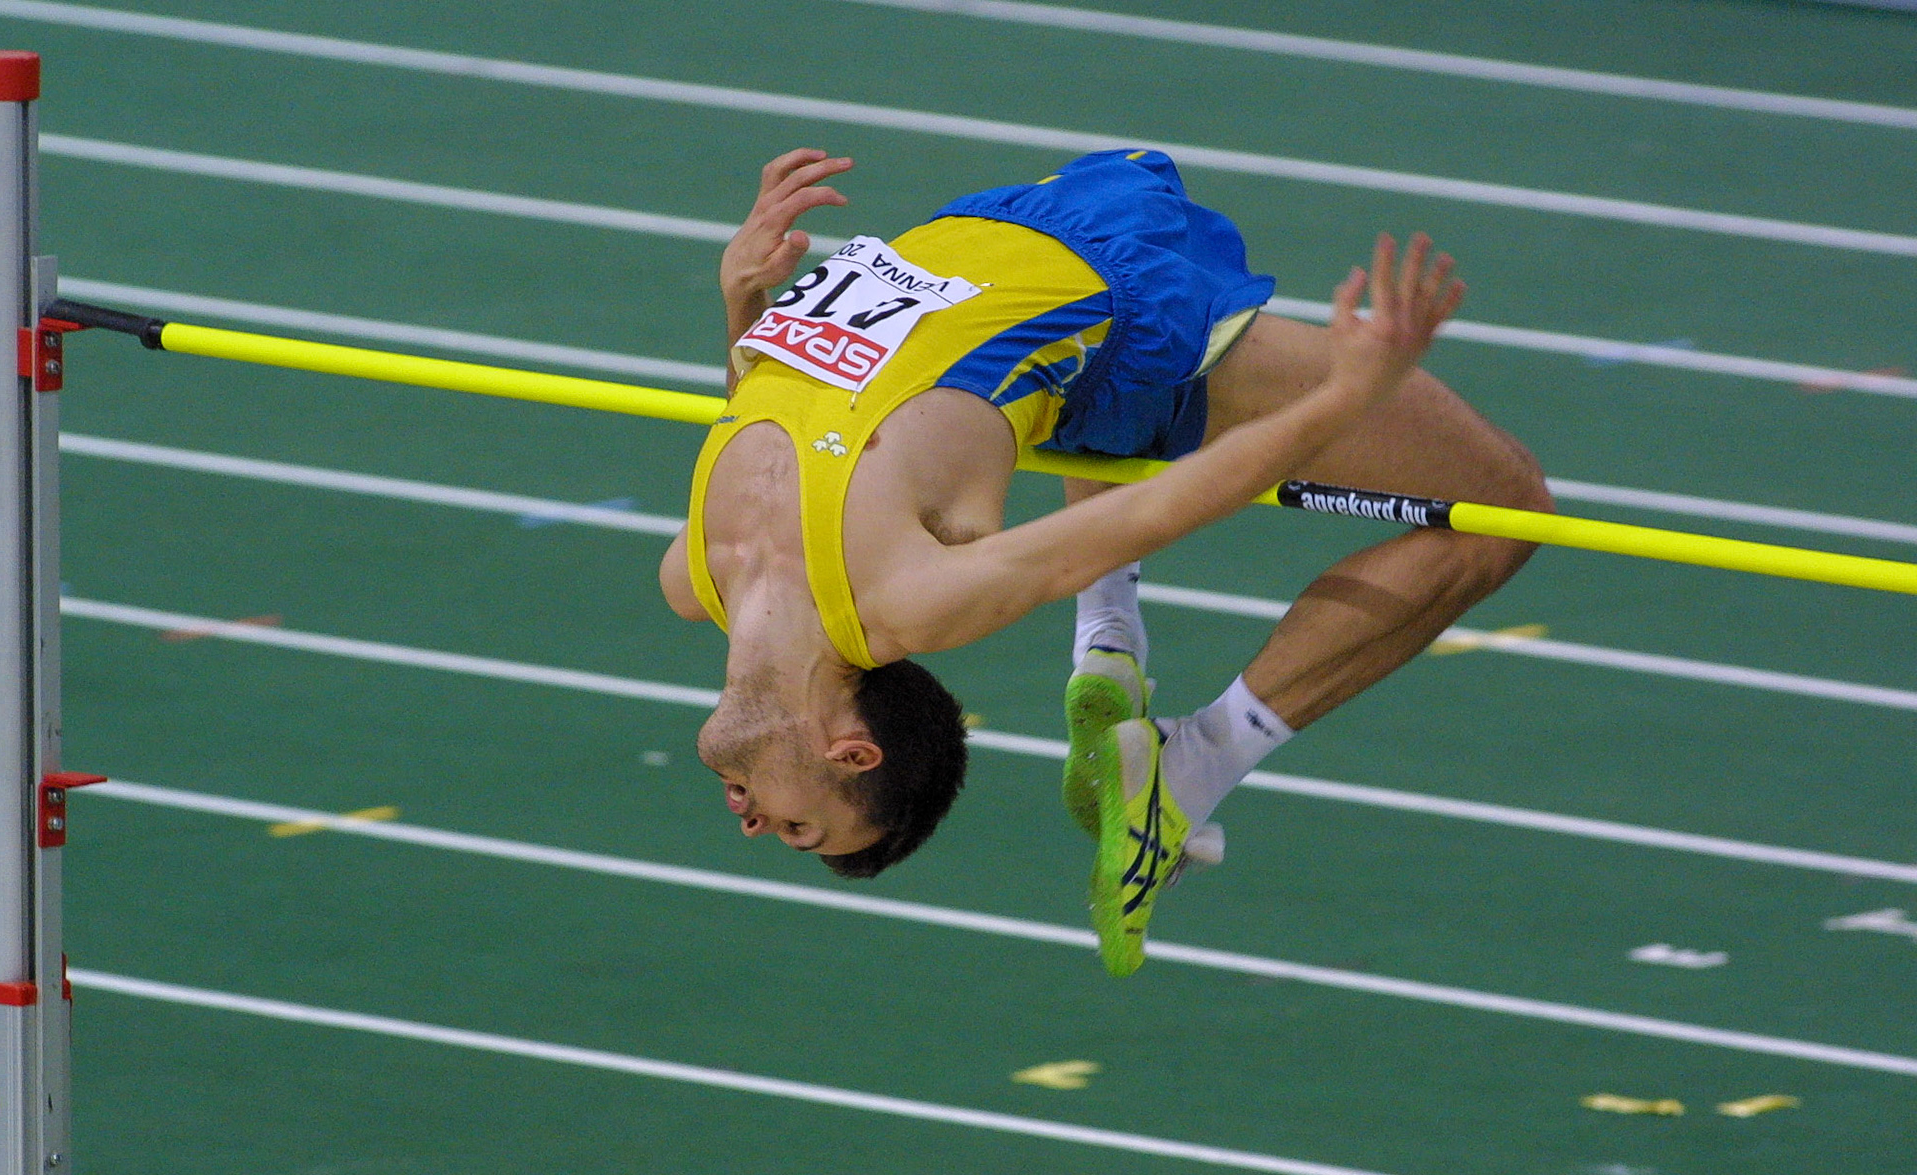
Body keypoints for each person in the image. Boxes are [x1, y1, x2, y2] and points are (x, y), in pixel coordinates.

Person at [660, 147, 1551, 974]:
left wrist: (744, 302)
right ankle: (1199, 759)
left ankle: (1110, 643)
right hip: (1106, 306)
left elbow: (763, 423)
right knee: (1502, 508)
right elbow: (1157, 509)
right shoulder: (909, 599)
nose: (752, 826)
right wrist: (1346, 397)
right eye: (798, 828)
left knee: (1059, 409)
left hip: (982, 238)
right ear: (852, 754)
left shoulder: (695, 580)